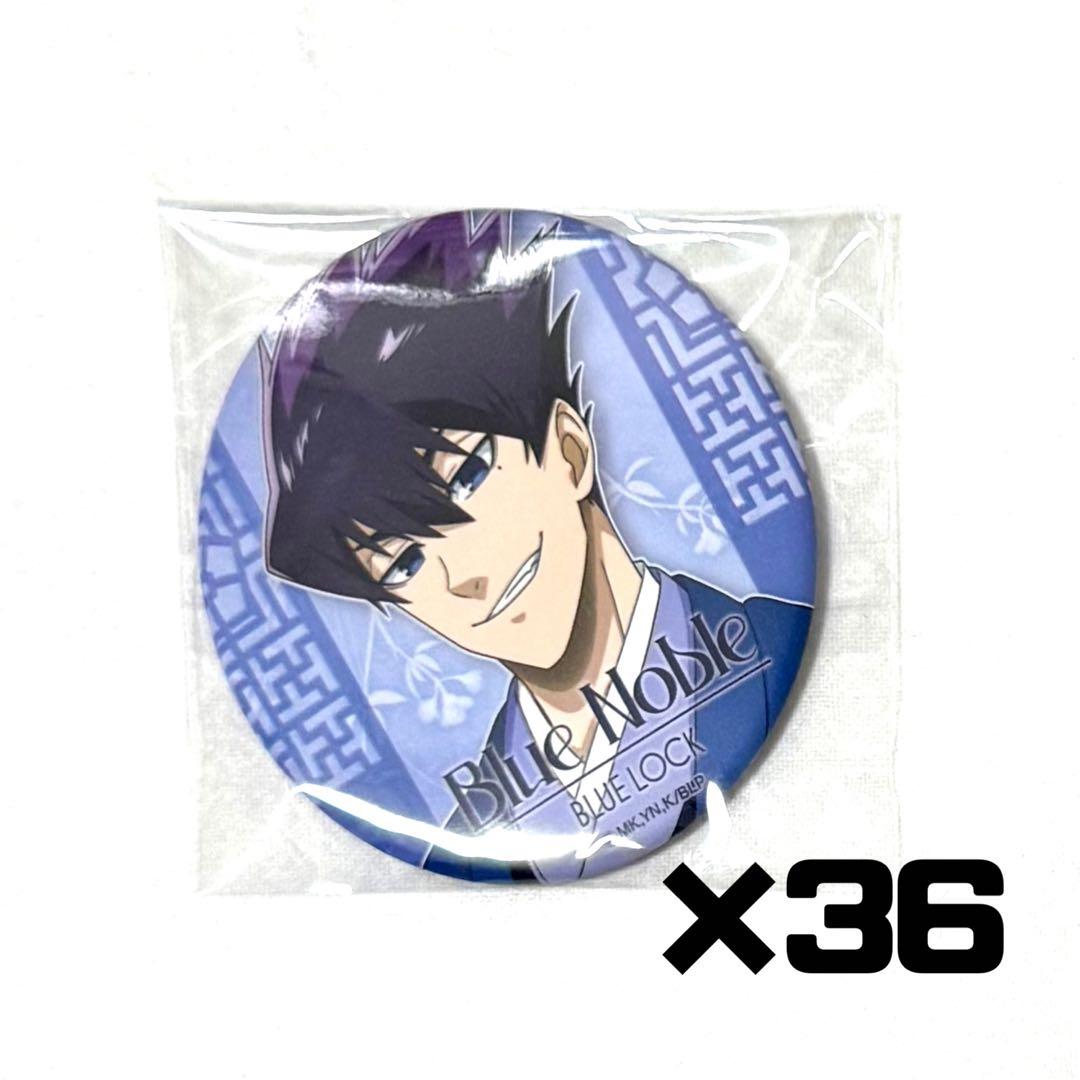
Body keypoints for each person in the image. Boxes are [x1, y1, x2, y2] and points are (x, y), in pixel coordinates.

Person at [262, 233, 810, 881]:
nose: (463, 576)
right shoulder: (463, 852)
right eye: (403, 564)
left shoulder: (783, 652)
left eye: (468, 477)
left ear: (570, 451)